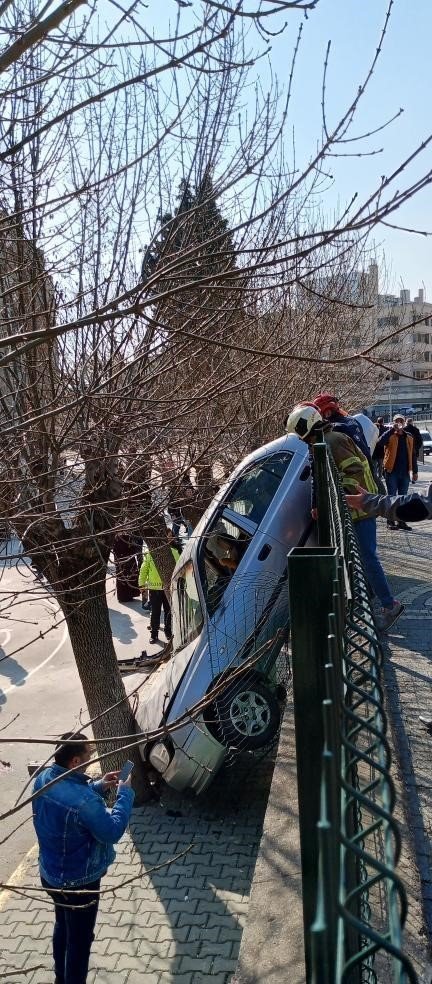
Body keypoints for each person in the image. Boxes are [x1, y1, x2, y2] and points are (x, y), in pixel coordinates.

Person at [285, 404, 404, 632]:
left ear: (305, 429)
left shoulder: (332, 441)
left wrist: (338, 497)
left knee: (368, 559)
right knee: (363, 559)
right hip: (358, 511)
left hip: (360, 511)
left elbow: (353, 473)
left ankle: (390, 605)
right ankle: (370, 603)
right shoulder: (327, 440)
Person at [32, 732, 134, 984]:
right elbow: (111, 832)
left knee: (63, 928)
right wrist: (124, 795)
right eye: (89, 754)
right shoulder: (84, 802)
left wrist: (99, 785)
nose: (92, 758)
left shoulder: (43, 778)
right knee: (79, 942)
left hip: (51, 875)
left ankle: (60, 978)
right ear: (75, 762)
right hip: (80, 884)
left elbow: (70, 793)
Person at [376, 414, 418, 531]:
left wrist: (415, 471)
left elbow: (413, 455)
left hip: (405, 472)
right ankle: (390, 521)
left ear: (404, 423)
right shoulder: (390, 435)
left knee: (403, 498)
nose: (399, 423)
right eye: (397, 421)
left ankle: (401, 521)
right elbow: (379, 443)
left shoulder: (409, 436)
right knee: (392, 497)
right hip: (391, 471)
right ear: (393, 422)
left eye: (401, 421)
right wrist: (391, 430)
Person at [138, 531, 180, 643]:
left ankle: (168, 631)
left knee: (169, 611)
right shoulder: (150, 554)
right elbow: (144, 569)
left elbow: (180, 570)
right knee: (155, 612)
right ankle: (154, 634)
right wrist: (141, 584)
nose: (168, 539)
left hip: (169, 589)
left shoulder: (175, 553)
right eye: (166, 537)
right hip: (154, 589)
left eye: (170, 537)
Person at [312, 392, 374, 465]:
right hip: (367, 467)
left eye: (320, 415)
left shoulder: (336, 428)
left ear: (327, 412)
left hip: (355, 472)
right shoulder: (352, 421)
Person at [112, 532, 142, 603]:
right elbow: (133, 548)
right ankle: (126, 596)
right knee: (125, 577)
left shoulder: (121, 537)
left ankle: (126, 596)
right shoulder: (125, 537)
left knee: (125, 577)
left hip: (123, 560)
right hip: (126, 560)